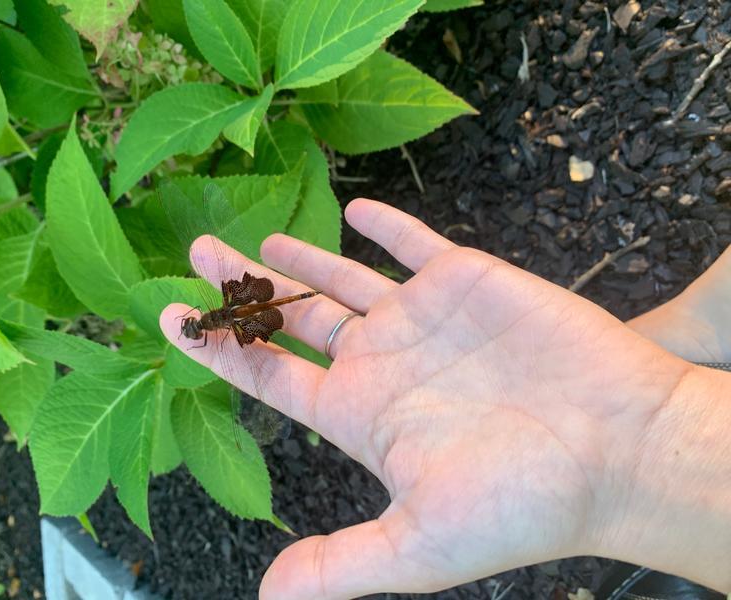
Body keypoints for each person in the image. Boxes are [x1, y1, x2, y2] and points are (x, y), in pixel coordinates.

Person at [160, 198, 731, 600]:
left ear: (210, 322)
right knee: (695, 332)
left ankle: (683, 356)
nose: (199, 329)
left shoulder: (229, 323)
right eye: (199, 330)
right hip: (253, 308)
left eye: (199, 329)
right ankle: (685, 348)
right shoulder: (228, 324)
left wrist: (657, 431)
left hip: (252, 309)